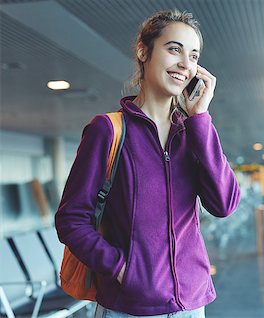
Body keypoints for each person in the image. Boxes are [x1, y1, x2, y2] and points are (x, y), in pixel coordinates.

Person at [55, 9, 241, 318]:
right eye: (174, 49)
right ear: (143, 51)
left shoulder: (192, 132)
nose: (185, 64)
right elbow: (71, 220)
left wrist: (201, 120)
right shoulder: (108, 130)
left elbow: (224, 204)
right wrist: (122, 270)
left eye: (193, 56)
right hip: (130, 308)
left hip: (192, 306)